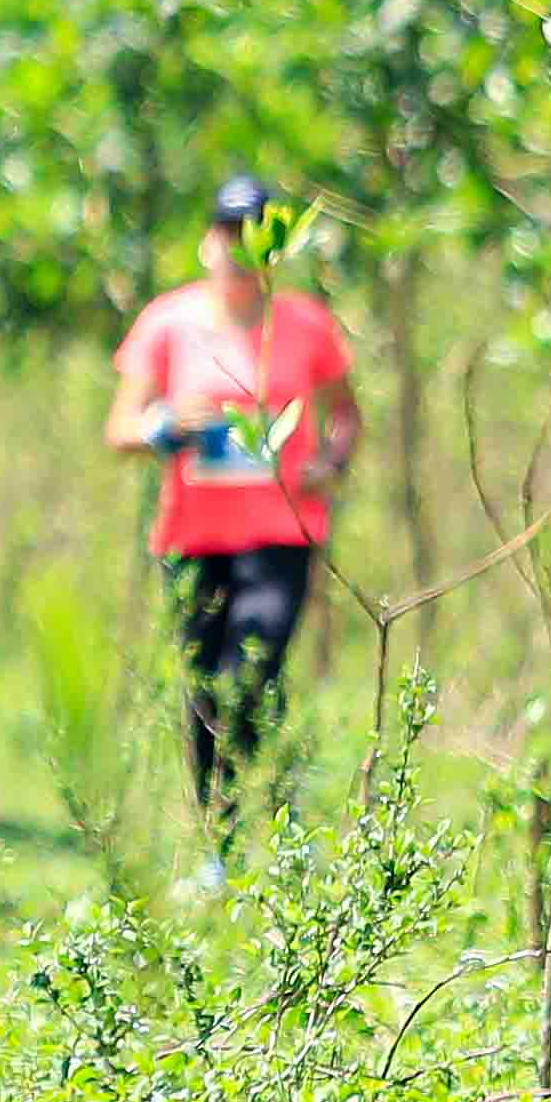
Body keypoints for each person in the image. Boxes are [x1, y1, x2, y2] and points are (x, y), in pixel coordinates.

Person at [107, 175, 363, 829]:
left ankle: (278, 817)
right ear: (208, 242)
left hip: (282, 533)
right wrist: (166, 426)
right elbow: (121, 428)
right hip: (192, 540)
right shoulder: (168, 322)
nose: (240, 250)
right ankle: (218, 836)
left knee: (252, 669)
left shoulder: (307, 324)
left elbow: (346, 415)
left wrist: (331, 464)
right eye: (229, 233)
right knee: (204, 688)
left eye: (255, 235)